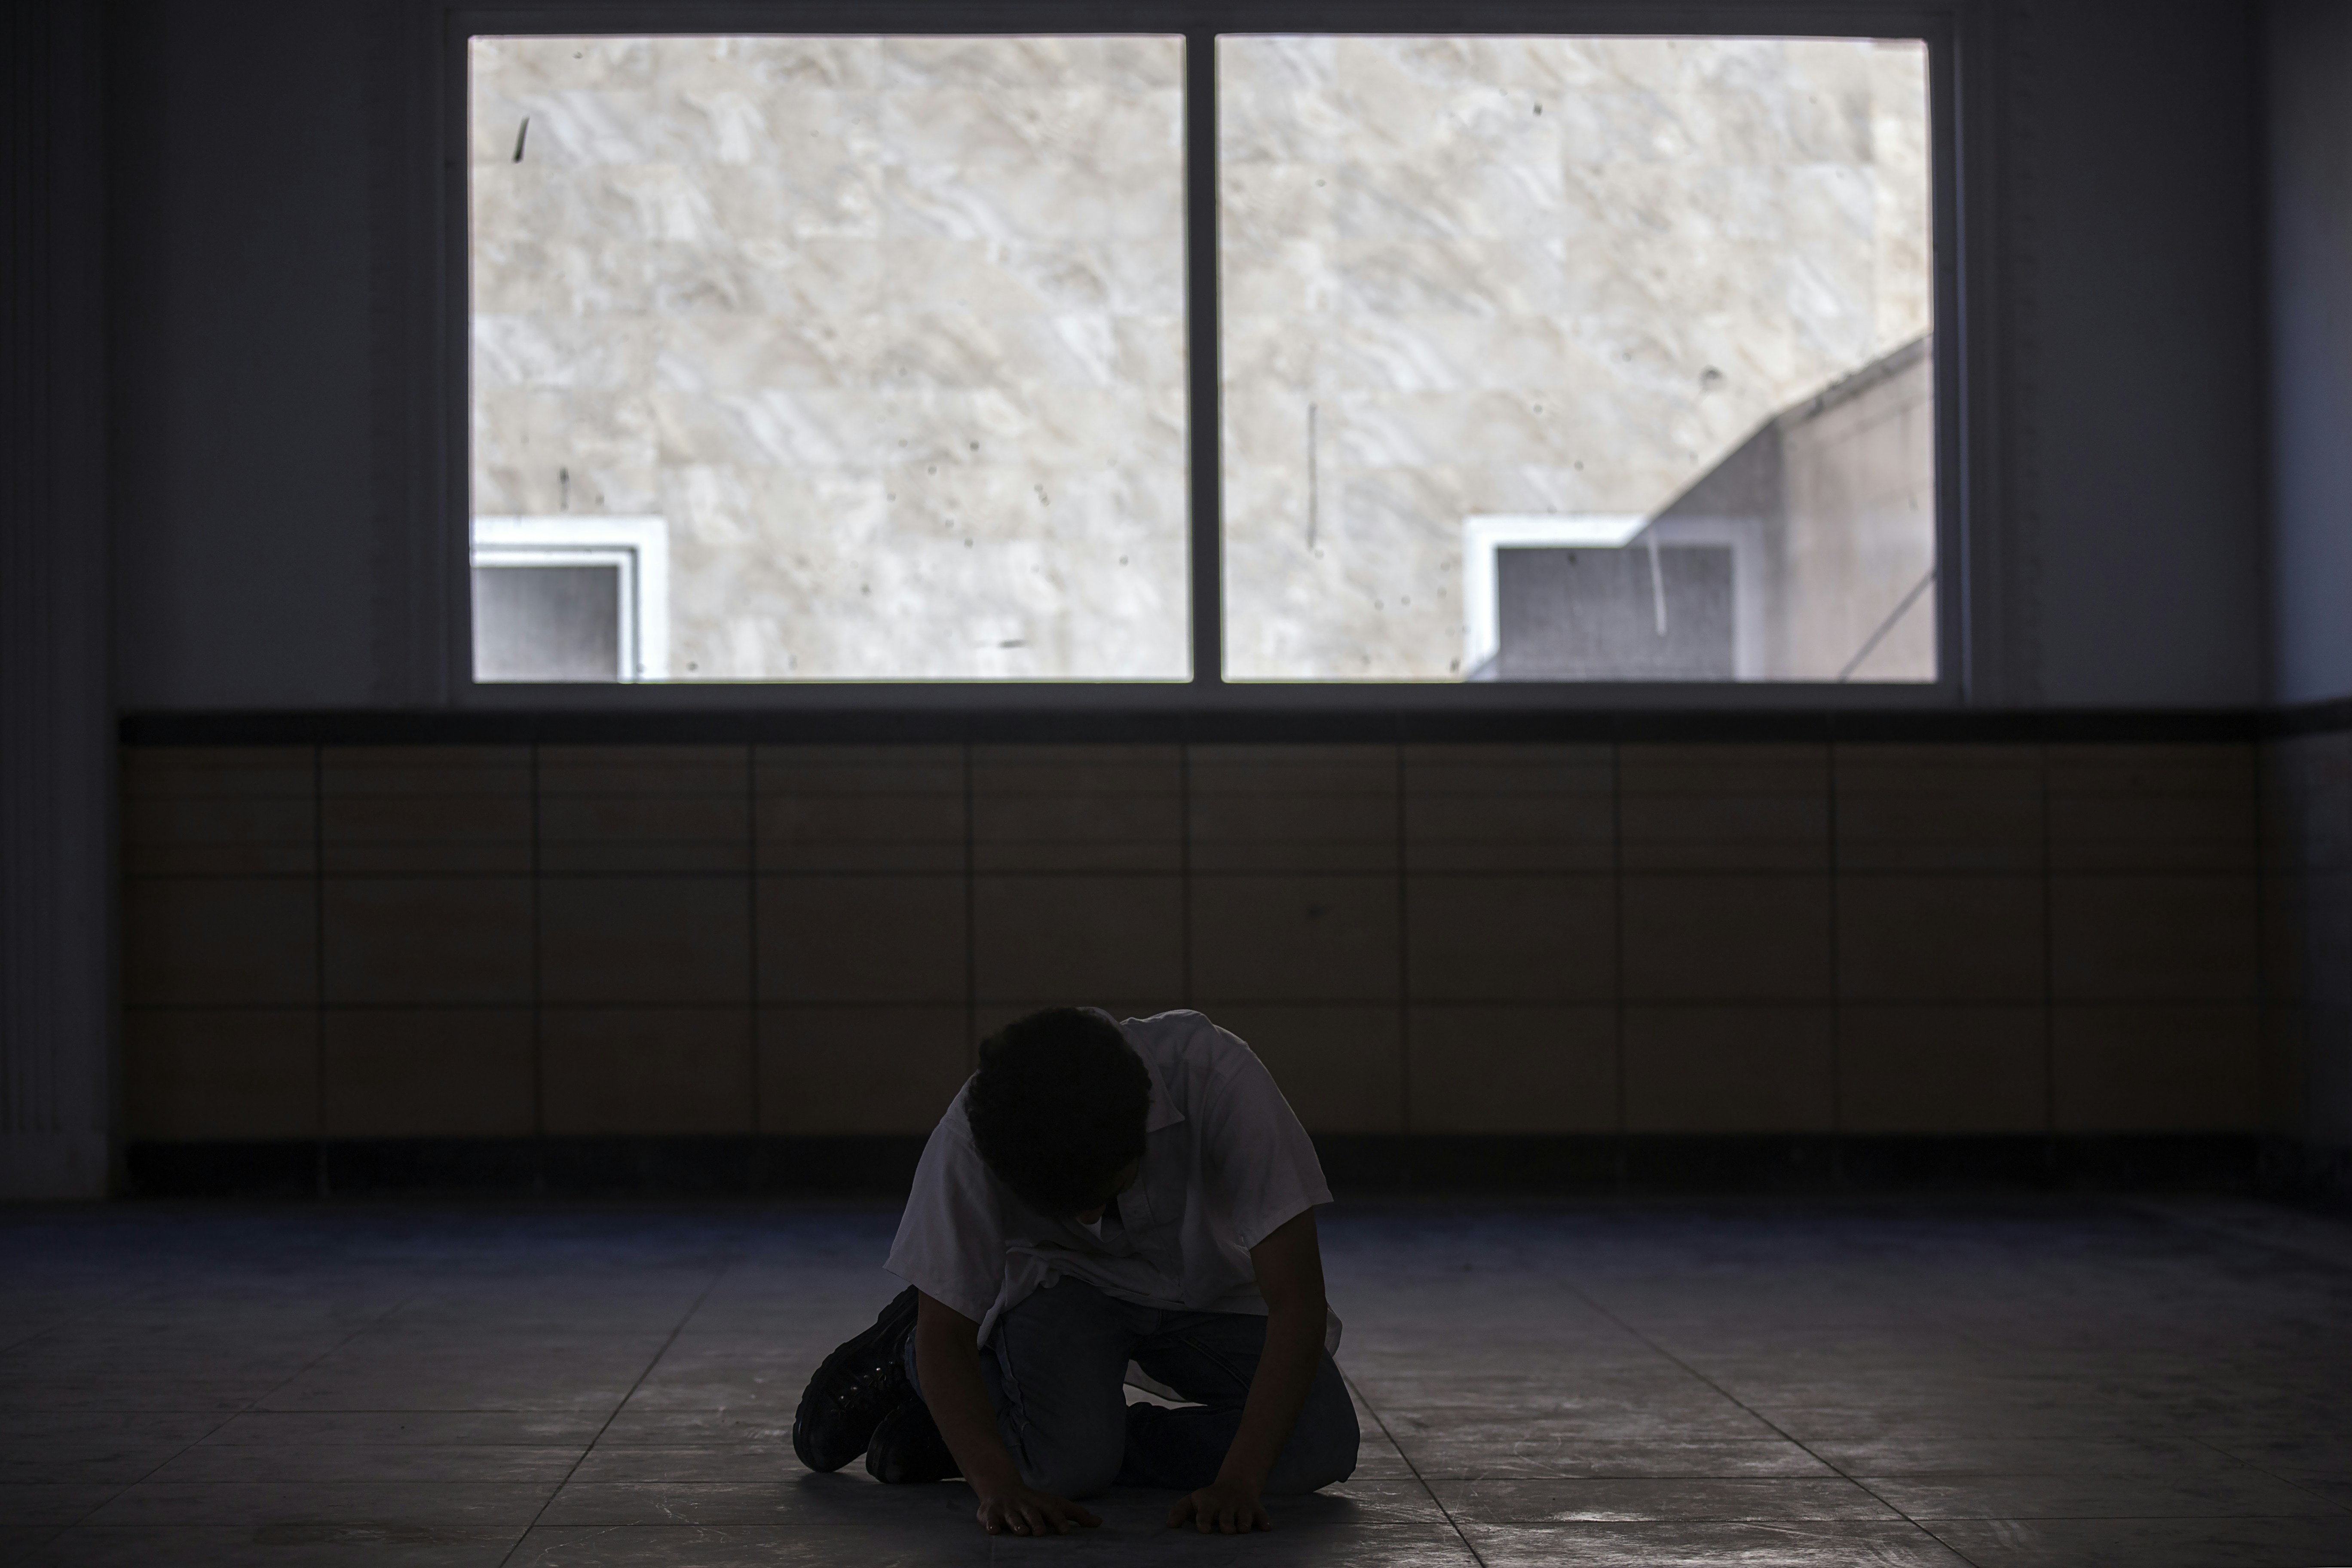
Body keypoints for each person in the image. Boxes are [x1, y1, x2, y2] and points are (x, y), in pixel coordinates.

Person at [792, 1005, 1359, 1536]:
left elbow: (1296, 1302)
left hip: (1206, 1292)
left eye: (1106, 1195)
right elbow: (949, 1336)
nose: (1091, 1218)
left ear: (1141, 1130)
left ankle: (1004, 1431)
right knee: (1061, 1473)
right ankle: (909, 1352)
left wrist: (1238, 1480)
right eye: (1066, 1209)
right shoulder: (972, 1135)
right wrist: (996, 1486)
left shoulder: (1218, 1075)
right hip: (1060, 1284)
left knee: (1321, 1441)